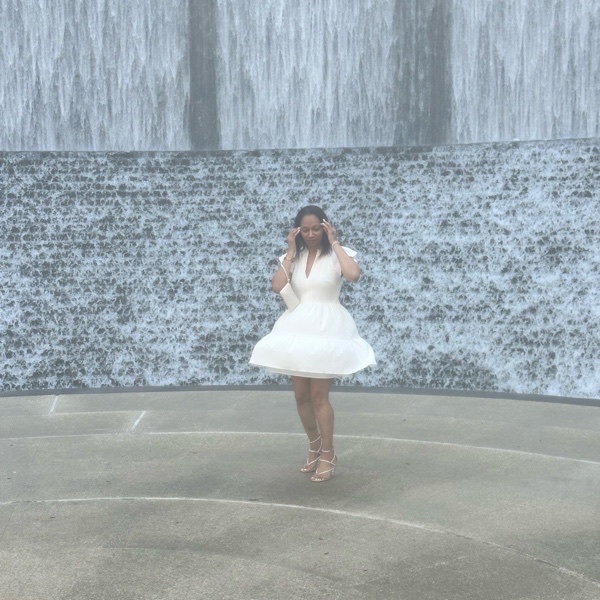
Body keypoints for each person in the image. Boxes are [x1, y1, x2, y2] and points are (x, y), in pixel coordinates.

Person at [249, 205, 376, 482]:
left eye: (316, 228)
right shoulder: (293, 256)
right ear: (297, 231)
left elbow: (353, 275)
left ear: (325, 227)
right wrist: (290, 251)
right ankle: (314, 445)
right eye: (305, 230)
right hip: (297, 327)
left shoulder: (338, 254)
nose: (311, 234)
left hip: (327, 327)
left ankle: (329, 452)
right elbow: (277, 285)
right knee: (301, 395)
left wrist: (334, 241)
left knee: (319, 395)